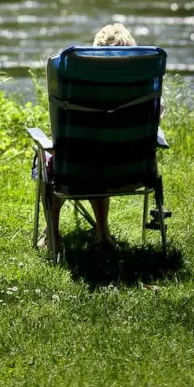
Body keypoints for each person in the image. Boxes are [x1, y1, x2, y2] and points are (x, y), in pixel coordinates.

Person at [42, 21, 156, 250]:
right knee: (105, 153)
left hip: (76, 168)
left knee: (51, 161)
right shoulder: (141, 85)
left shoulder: (80, 90)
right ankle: (103, 234)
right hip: (131, 169)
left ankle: (52, 236)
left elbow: (57, 136)